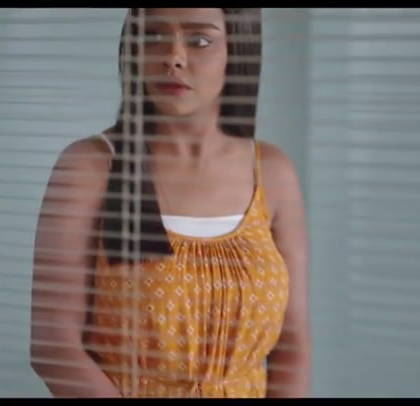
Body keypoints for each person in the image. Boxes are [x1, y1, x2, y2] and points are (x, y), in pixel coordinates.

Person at [30, 8, 311, 398]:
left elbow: (293, 345)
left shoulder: (273, 172)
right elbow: (54, 345)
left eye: (199, 41)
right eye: (154, 36)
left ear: (238, 50)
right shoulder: (91, 167)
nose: (173, 57)